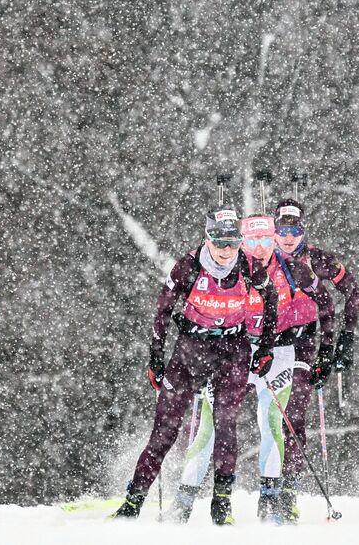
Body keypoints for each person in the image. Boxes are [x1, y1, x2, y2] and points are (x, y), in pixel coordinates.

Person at [113, 206, 279, 524]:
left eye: (232, 241)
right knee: (165, 431)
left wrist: (266, 348)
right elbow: (162, 311)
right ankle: (132, 504)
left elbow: (270, 300)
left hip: (232, 351)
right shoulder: (189, 266)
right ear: (207, 237)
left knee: (225, 423)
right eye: (218, 241)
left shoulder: (249, 266)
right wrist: (155, 359)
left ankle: (221, 504)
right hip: (190, 352)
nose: (225, 249)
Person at [168, 213, 335, 525]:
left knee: (272, 423)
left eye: (265, 239)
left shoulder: (292, 268)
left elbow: (326, 304)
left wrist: (326, 350)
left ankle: (270, 502)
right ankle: (185, 500)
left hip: (277, 354)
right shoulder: (230, 265)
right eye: (251, 240)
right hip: (234, 351)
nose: (259, 248)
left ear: (273, 238)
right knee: (210, 425)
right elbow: (196, 301)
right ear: (242, 240)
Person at [270, 197, 359, 522]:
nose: (289, 236)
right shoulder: (261, 261)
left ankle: (287, 491)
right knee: (265, 420)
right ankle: (266, 489)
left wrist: (341, 342)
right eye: (283, 229)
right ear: (274, 229)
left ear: (302, 229)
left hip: (305, 343)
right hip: (267, 343)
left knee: (293, 416)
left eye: (294, 229)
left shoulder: (318, 260)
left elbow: (352, 291)